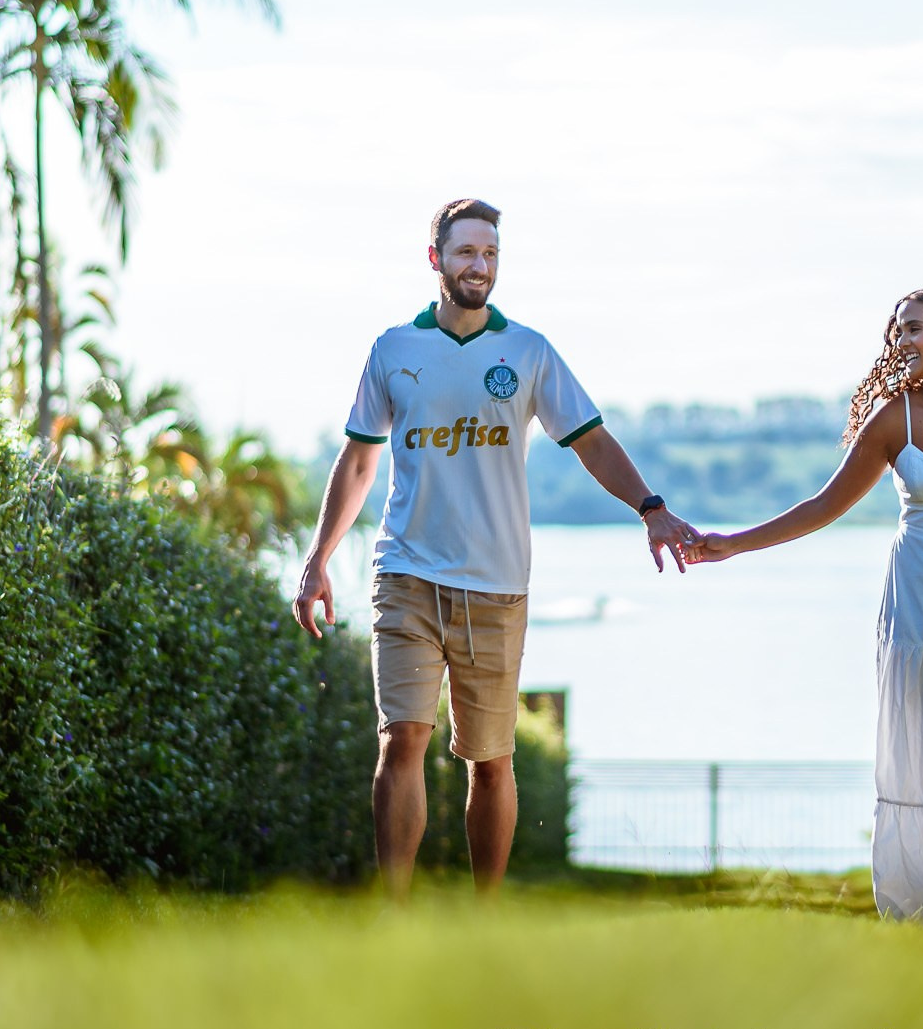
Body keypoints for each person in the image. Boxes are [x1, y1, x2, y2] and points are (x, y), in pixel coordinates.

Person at [293, 198, 698, 900]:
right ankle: (395, 912)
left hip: (496, 582)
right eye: (465, 252)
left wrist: (650, 508)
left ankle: (486, 915)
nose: (479, 265)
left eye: (490, 254)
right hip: (406, 572)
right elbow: (358, 461)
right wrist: (317, 558)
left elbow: (592, 442)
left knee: (489, 759)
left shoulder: (529, 351)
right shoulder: (394, 349)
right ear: (436, 259)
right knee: (402, 736)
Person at [686, 286, 923, 931]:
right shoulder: (895, 420)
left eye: (913, 328)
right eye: (897, 331)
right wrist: (733, 544)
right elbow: (824, 506)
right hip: (921, 608)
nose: (901, 341)